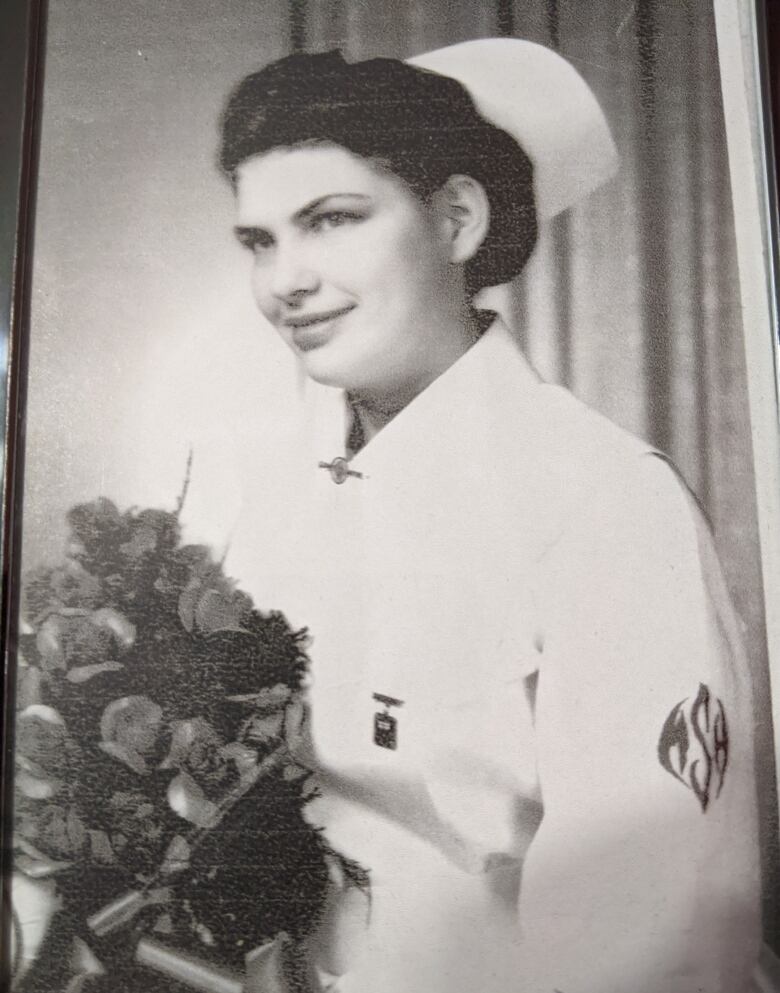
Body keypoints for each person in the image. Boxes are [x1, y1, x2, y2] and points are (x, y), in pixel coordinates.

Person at [216, 40, 762, 993]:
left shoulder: (600, 503)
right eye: (261, 240)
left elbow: (653, 944)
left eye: (332, 220)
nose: (284, 283)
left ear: (458, 219)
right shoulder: (275, 496)